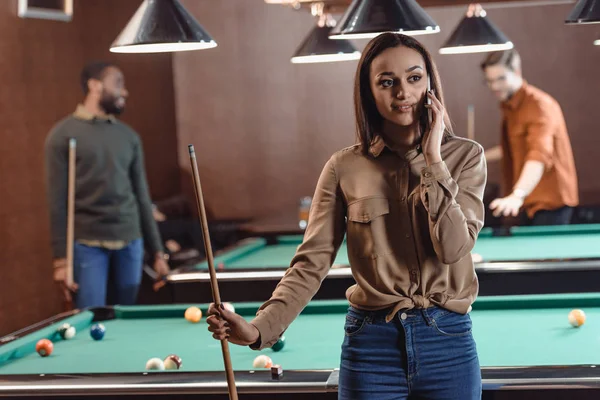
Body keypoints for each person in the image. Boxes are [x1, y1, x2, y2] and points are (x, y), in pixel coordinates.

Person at [207, 33, 486, 399]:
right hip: (371, 347)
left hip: (447, 343)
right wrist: (260, 329)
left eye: (414, 78)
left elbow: (452, 248)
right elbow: (310, 264)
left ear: (431, 85)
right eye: (387, 82)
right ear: (369, 92)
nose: (402, 92)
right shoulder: (343, 167)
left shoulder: (466, 157)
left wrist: (434, 159)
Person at [45, 61, 170, 309]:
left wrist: (158, 252)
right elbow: (57, 203)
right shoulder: (62, 136)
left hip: (130, 237)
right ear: (95, 85)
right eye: (118, 83)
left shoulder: (128, 136)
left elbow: (142, 196)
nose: (125, 92)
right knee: (92, 313)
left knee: (127, 313)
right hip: (87, 244)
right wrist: (61, 261)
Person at [481, 49, 578, 225]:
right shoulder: (510, 106)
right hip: (526, 200)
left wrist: (517, 194)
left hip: (550, 202)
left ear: (517, 72)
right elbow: (513, 148)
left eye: (501, 79)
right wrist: (477, 157)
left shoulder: (539, 106)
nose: (494, 86)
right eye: (489, 81)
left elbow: (539, 155)